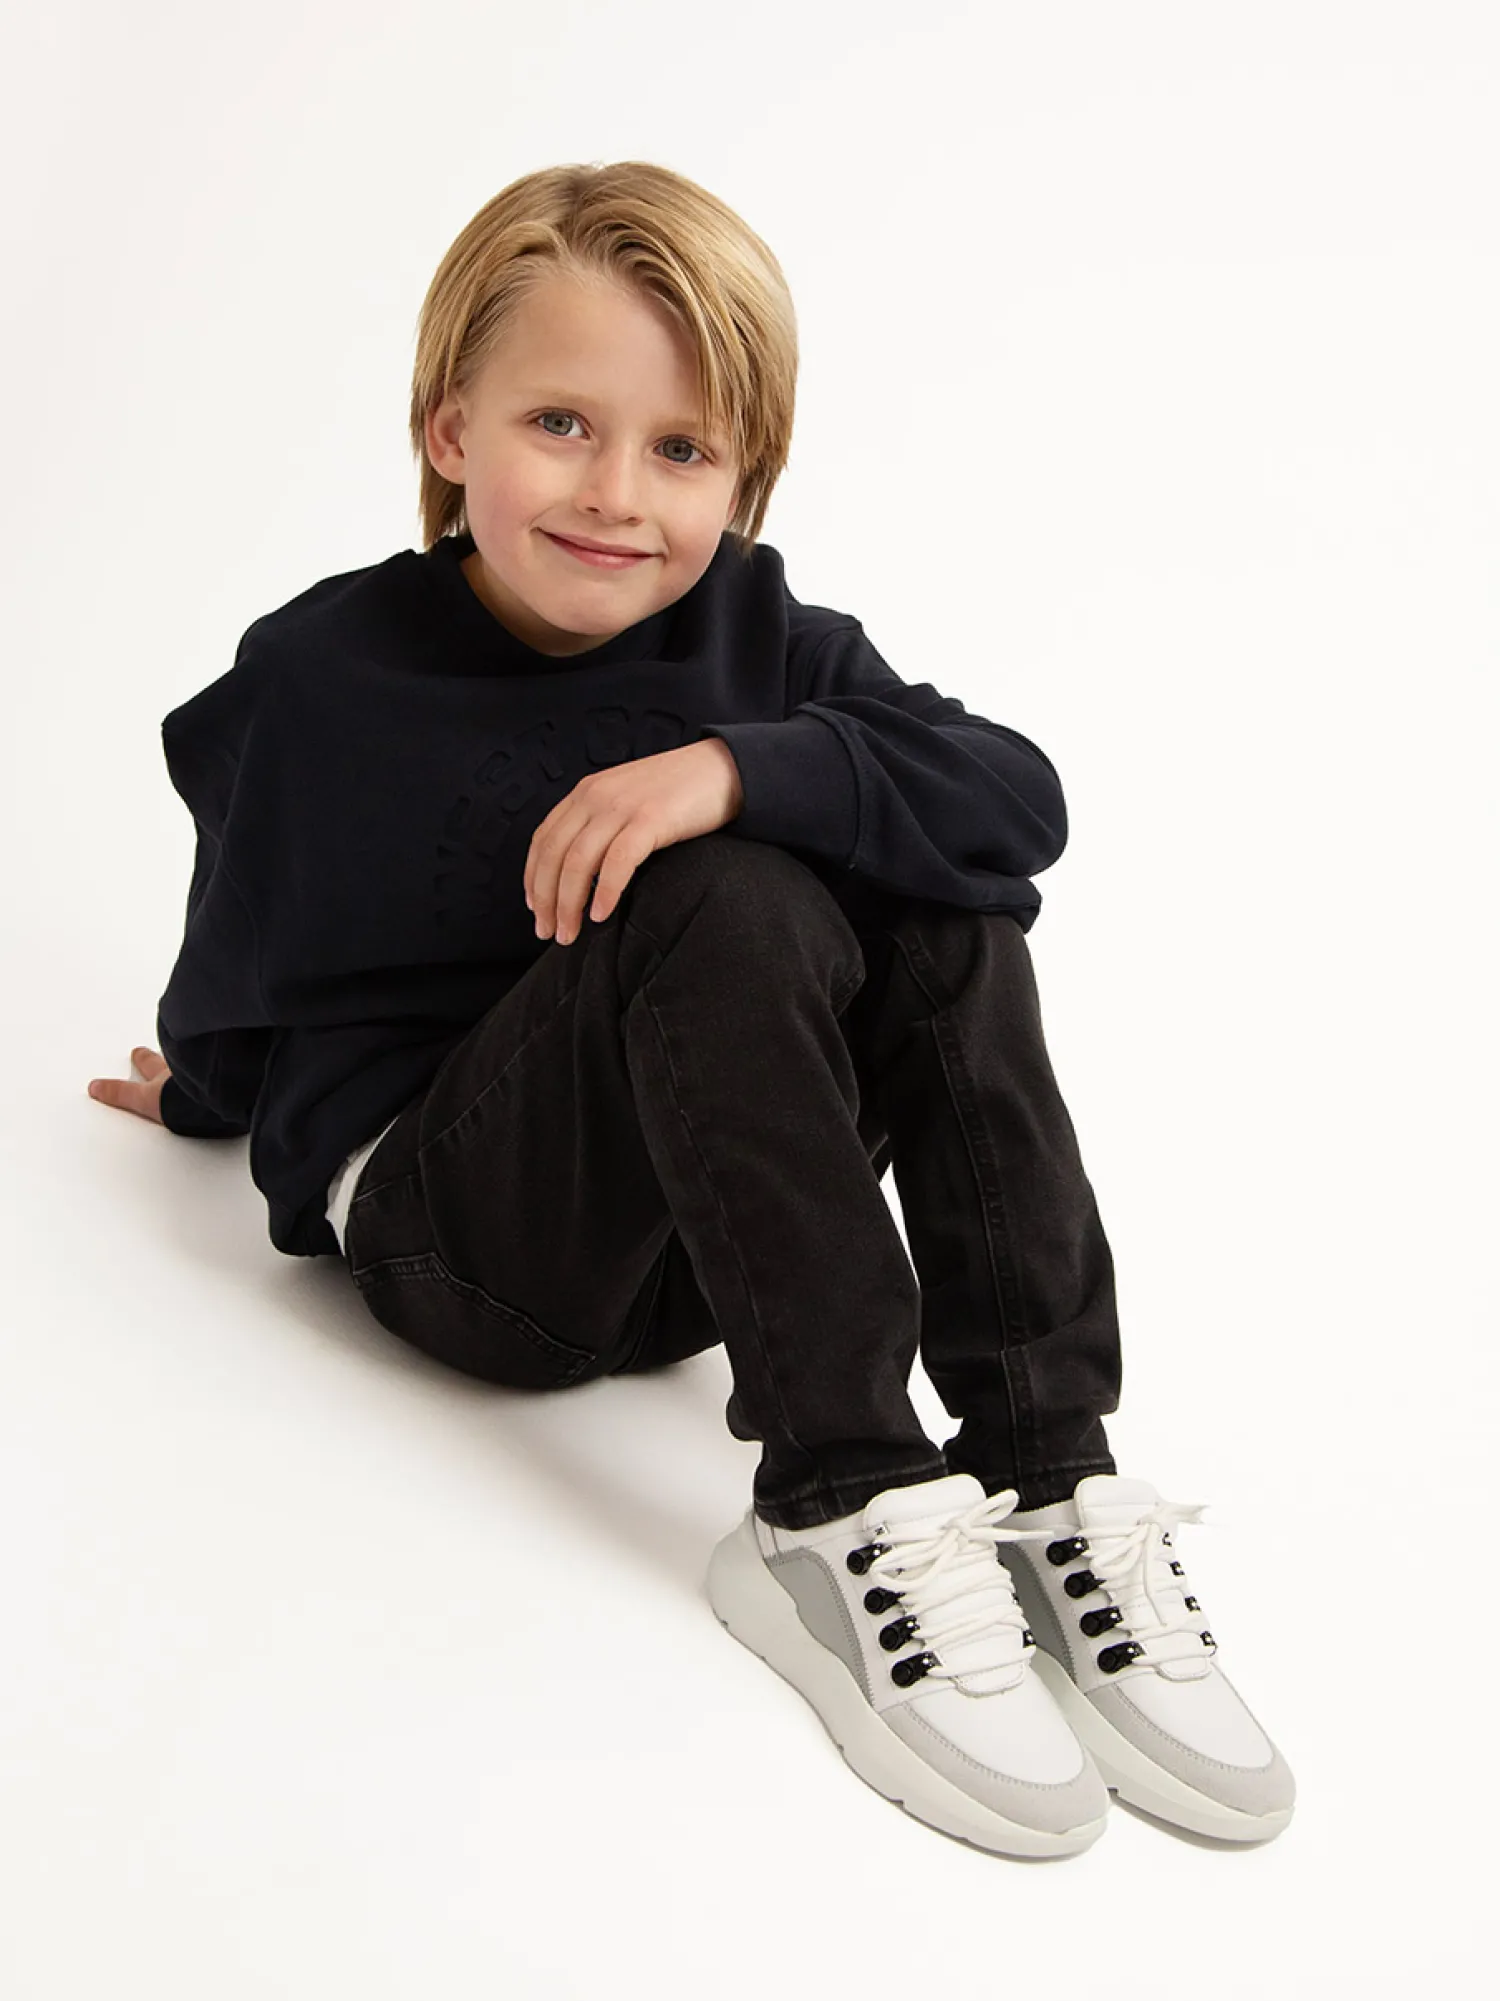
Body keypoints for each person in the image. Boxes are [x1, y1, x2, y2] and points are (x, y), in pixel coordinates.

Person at [86, 160, 1294, 1861]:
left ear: (743, 478)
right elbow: (245, 918)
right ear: (450, 430)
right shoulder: (323, 673)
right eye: (559, 425)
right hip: (462, 1243)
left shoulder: (763, 636)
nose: (615, 494)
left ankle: (1045, 1471)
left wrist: (736, 764)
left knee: (930, 882)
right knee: (729, 892)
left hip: (700, 1249)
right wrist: (209, 1097)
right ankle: (839, 1503)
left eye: (680, 451)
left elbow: (1016, 802)